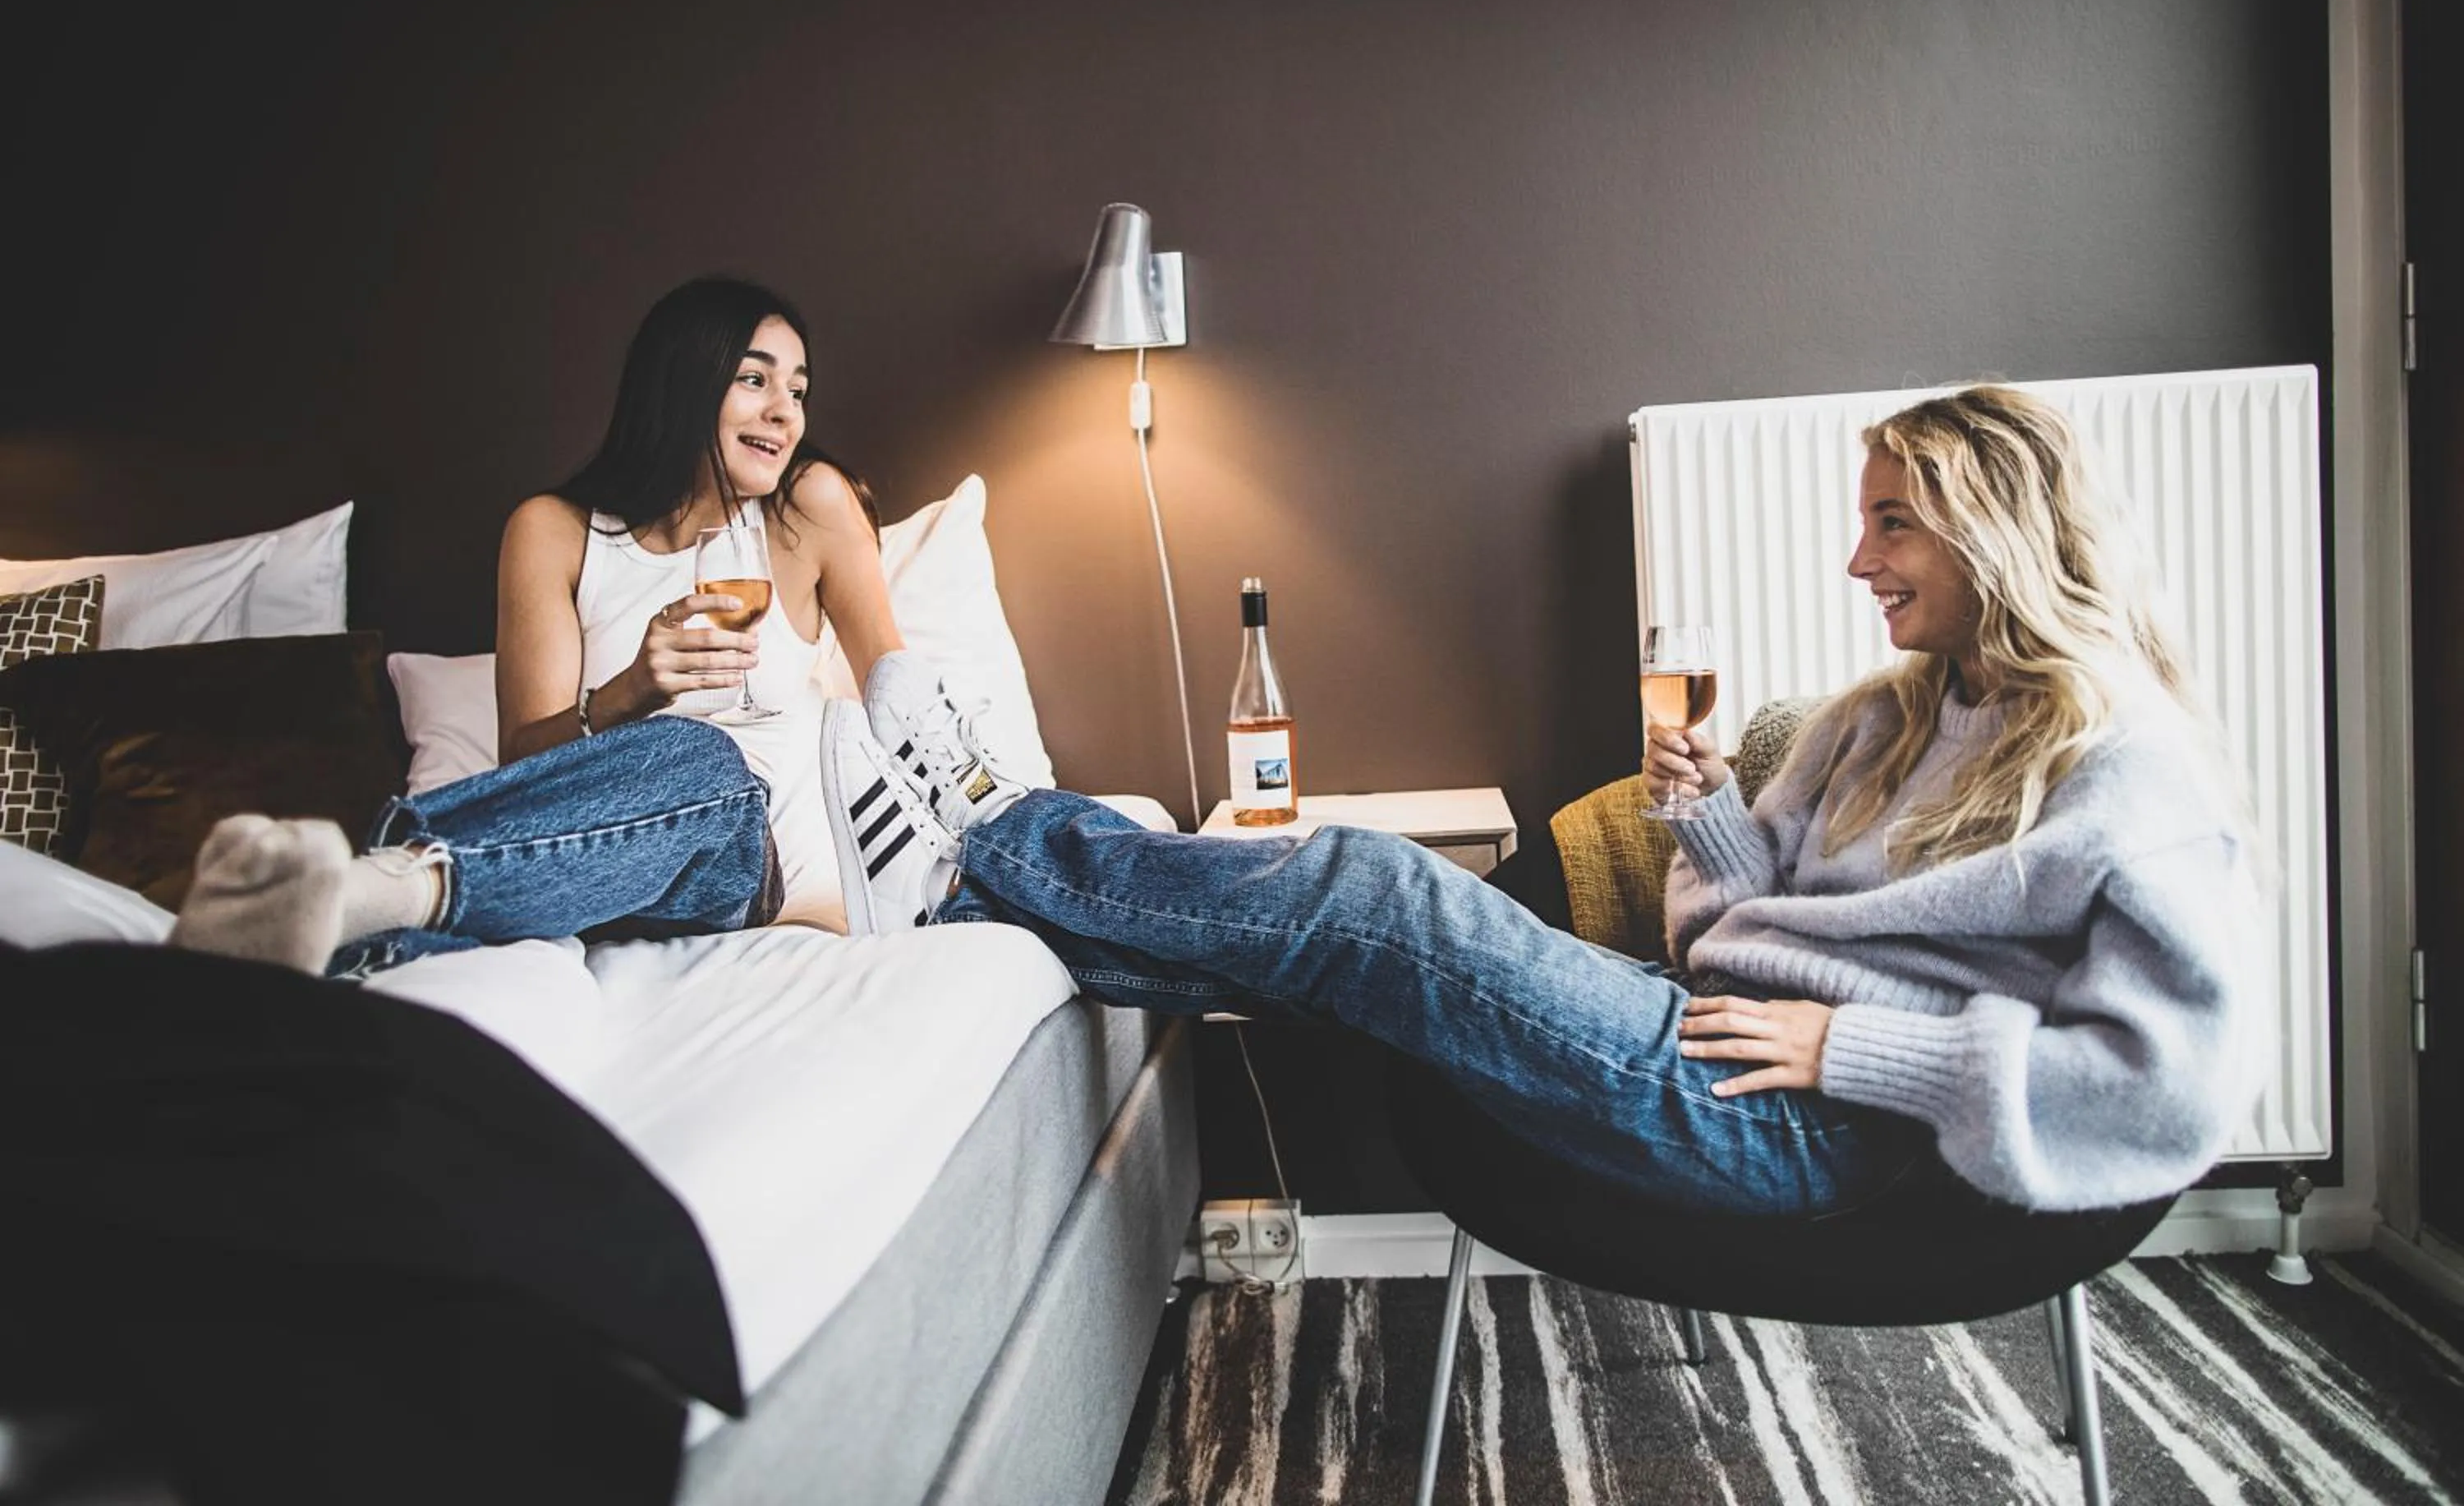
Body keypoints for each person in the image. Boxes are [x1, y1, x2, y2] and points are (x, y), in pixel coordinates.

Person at [814, 385, 2263, 1214]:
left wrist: (1869, 1056)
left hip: (1821, 1129)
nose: (1855, 560)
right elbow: (1726, 936)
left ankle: (982, 817)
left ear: (1995, 530)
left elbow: (2167, 1087)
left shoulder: (2123, 765)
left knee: (1362, 887)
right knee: (1331, 954)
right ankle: (957, 887)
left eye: (1892, 521)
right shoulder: (1883, 719)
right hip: (1703, 1027)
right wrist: (1704, 823)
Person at [172, 276, 996, 977]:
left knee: (706, 755)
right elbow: (526, 765)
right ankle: (331, 945)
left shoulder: (810, 504)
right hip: (595, 870)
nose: (786, 411)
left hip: (759, 874)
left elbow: (898, 693)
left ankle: (366, 884)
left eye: (799, 389)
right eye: (756, 379)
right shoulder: (553, 529)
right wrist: (633, 689)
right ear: (682, 383)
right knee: (671, 756)